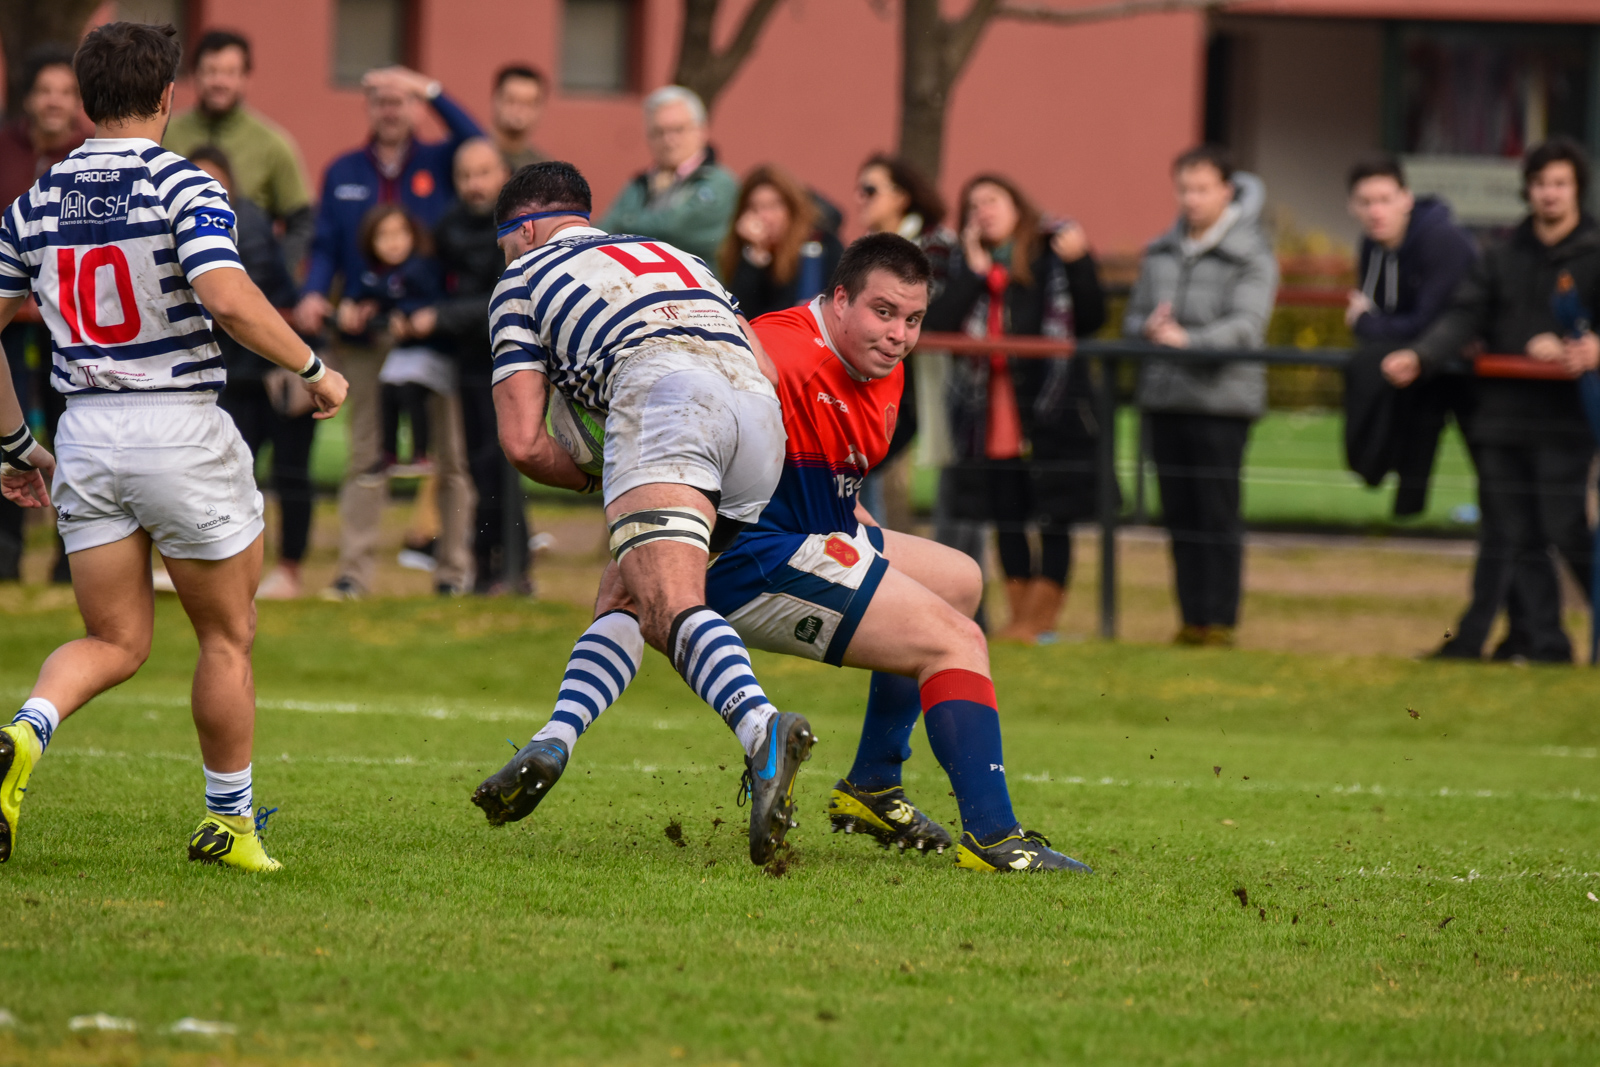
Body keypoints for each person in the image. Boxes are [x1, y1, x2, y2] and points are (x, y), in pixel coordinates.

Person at [479, 235, 1092, 872]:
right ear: (840, 297)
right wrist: (653, 546)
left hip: (815, 526)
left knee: (960, 579)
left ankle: (872, 789)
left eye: (913, 320)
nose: (899, 334)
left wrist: (860, 537)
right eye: (883, 313)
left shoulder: (882, 363)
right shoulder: (774, 351)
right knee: (958, 641)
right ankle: (996, 840)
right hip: (754, 553)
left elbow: (830, 476)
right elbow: (694, 439)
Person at [0, 22, 347, 873]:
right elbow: (225, 296)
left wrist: (15, 442)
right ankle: (229, 824)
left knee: (114, 639)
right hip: (179, 424)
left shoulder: (34, 200)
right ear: (166, 98)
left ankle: (22, 731)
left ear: (82, 101)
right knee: (226, 635)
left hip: (83, 431)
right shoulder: (182, 181)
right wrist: (313, 366)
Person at [468, 161, 807, 866]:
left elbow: (525, 442)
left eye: (505, 242)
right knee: (626, 589)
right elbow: (767, 368)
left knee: (667, 604)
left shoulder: (522, 279)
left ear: (523, 228)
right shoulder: (676, 255)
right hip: (758, 416)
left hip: (665, 398)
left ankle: (762, 729)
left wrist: (609, 473)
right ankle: (553, 740)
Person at [1384, 136, 1600, 664]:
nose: (1549, 194)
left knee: (1565, 527)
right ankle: (1547, 644)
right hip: (1501, 415)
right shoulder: (1501, 256)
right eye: (1541, 183)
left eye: (1560, 184)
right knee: (1515, 534)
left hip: (1566, 417)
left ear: (1577, 190)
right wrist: (1422, 355)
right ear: (1527, 190)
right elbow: (1465, 314)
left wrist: (1594, 347)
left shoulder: (1596, 256)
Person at [295, 66, 482, 600]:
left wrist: (434, 90)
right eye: (381, 100)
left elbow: (477, 144)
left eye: (402, 100)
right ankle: (354, 572)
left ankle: (453, 572)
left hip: (430, 335)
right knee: (365, 456)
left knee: (451, 458)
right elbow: (327, 242)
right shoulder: (343, 170)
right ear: (369, 107)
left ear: (415, 105)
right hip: (365, 336)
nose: (391, 110)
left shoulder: (439, 162)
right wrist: (315, 292)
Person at [926, 174, 1107, 644]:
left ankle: (1039, 620)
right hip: (989, 410)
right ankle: (1020, 618)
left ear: (1017, 205)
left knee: (1053, 514)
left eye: (993, 200)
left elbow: (1090, 318)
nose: (983, 210)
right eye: (974, 203)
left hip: (1051, 407)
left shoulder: (1050, 254)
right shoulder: (967, 265)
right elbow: (939, 323)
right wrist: (975, 273)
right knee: (1005, 511)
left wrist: (1082, 261)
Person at [1125, 145, 1278, 648]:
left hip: (1221, 404)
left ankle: (1220, 621)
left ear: (1226, 191)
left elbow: (1247, 327)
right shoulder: (1160, 250)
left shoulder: (1253, 254)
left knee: (1217, 514)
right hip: (1165, 398)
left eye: (1202, 188)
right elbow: (1132, 318)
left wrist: (1189, 342)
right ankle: (1191, 619)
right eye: (1185, 188)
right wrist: (1148, 329)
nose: (1192, 199)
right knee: (1179, 515)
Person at [189, 146, 318, 601]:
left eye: (215, 181)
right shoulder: (170, 230)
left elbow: (242, 297)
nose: (206, 189)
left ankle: (289, 570)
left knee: (290, 474)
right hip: (223, 378)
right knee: (220, 477)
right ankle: (216, 568)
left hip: (276, 372)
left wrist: (308, 368)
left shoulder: (252, 226)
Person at [424, 139, 531, 594]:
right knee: (475, 466)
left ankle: (515, 568)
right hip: (464, 363)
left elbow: (504, 295)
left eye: (483, 173)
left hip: (511, 359)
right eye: (465, 175)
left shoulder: (516, 230)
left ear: (503, 174)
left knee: (503, 462)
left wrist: (442, 316)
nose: (474, 184)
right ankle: (486, 567)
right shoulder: (447, 226)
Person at [0, 46, 89, 582]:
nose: (54, 101)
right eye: (45, 90)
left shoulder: (88, 156)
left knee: (69, 430)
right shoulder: (4, 147)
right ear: (29, 98)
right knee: (5, 427)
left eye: (65, 91)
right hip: (7, 318)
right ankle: (6, 552)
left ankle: (69, 555)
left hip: (67, 322)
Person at [854, 154, 956, 531]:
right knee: (861, 475)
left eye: (870, 189)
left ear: (901, 196)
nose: (860, 198)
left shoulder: (935, 243)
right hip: (876, 384)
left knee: (864, 474)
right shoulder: (869, 249)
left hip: (922, 388)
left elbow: (932, 310)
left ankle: (874, 567)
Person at [161, 30, 314, 274]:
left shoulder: (273, 143)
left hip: (247, 278)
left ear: (246, 78)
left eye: (230, 73)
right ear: (194, 75)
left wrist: (278, 273)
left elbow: (302, 221)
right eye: (211, 71)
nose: (220, 82)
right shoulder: (165, 134)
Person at [338, 205, 447, 477]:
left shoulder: (422, 266)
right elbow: (372, 291)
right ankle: (388, 455)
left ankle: (422, 454)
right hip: (404, 352)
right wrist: (361, 303)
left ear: (412, 235)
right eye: (383, 236)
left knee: (410, 390)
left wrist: (406, 313)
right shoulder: (378, 273)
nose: (393, 242)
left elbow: (433, 299)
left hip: (430, 350)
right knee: (386, 390)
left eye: (400, 233)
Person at [598, 86, 738, 275]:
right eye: (659, 132)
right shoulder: (640, 183)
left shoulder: (718, 182)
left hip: (701, 292)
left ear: (701, 130)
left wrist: (625, 224)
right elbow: (603, 232)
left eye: (678, 129)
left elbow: (676, 230)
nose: (668, 140)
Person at [720, 164, 842, 319]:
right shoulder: (743, 253)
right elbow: (739, 315)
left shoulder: (820, 245)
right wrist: (755, 257)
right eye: (755, 208)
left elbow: (789, 310)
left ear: (791, 208)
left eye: (774, 205)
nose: (765, 217)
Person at [490, 65, 547, 172]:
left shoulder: (543, 169)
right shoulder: (465, 154)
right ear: (495, 99)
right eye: (511, 100)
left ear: (539, 108)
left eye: (528, 103)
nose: (518, 109)